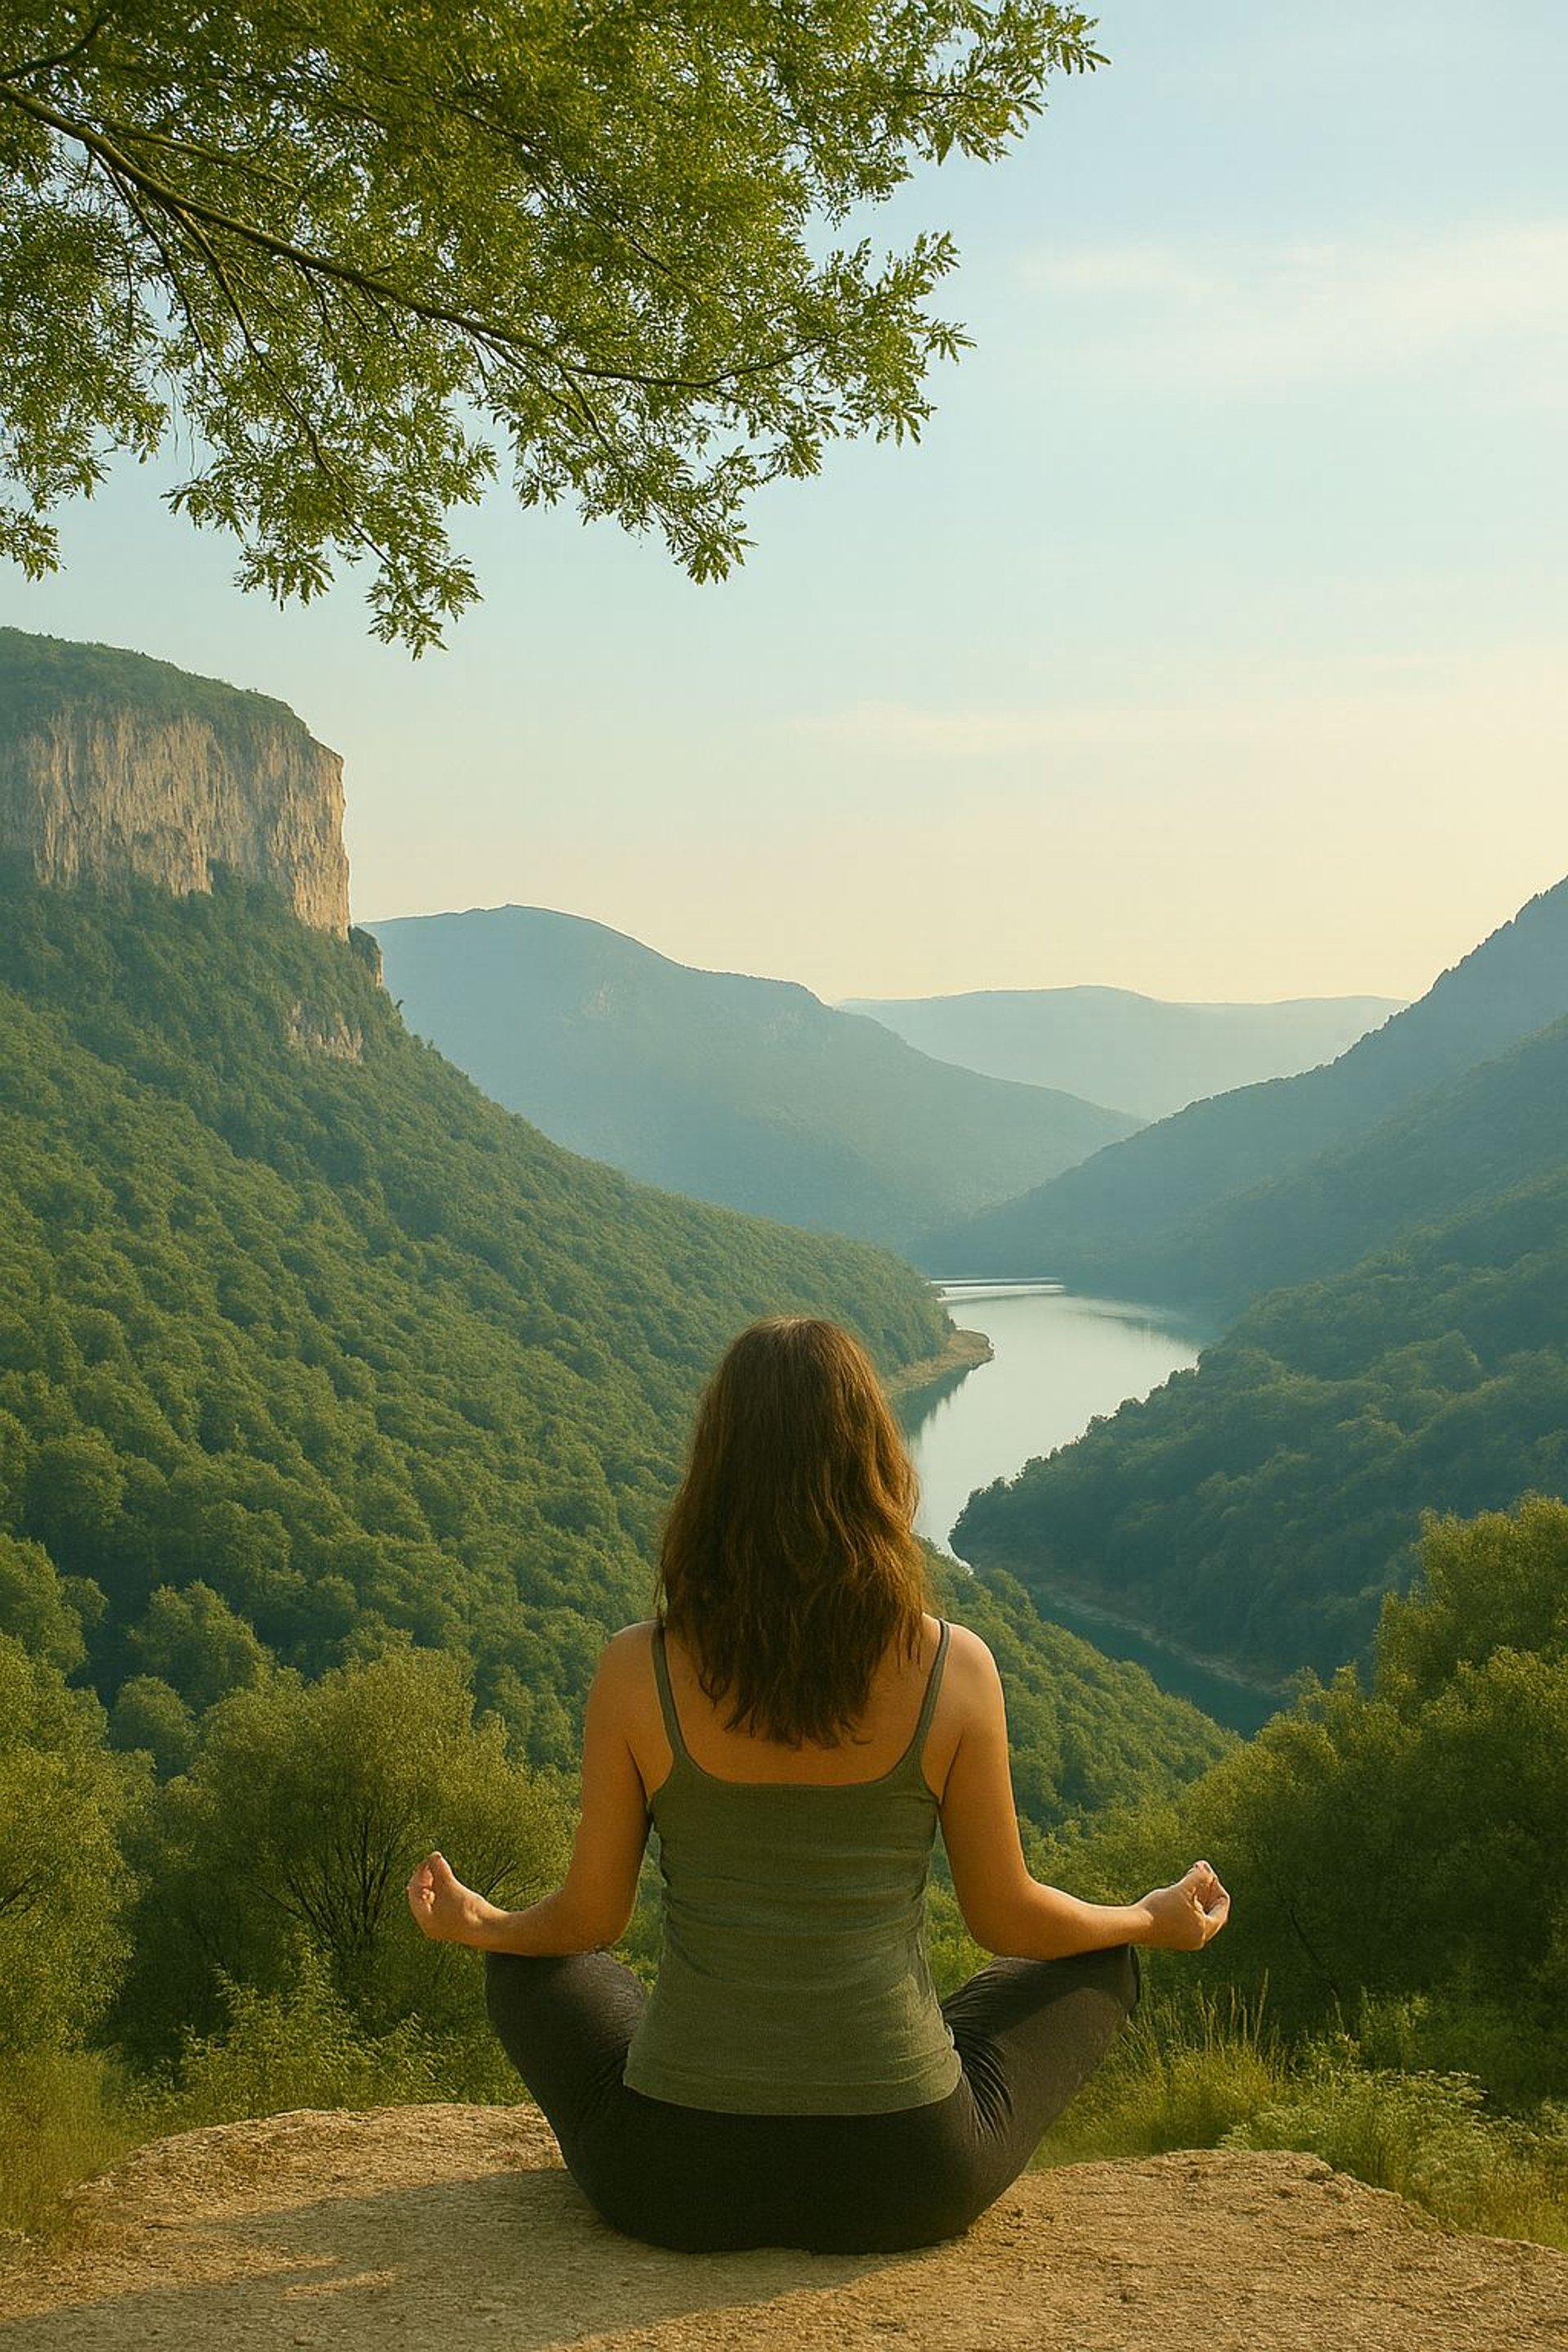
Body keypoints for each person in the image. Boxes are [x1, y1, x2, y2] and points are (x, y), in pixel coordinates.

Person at [408, 1316, 1229, 2254]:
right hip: (905, 2176)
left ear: (714, 1471)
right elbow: (1012, 1923)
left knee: (532, 1964)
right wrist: (1149, 1918)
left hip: (670, 2178)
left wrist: (483, 1925)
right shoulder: (953, 1667)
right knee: (1099, 1956)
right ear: (873, 1464)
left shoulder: (638, 1668)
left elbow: (588, 1919)